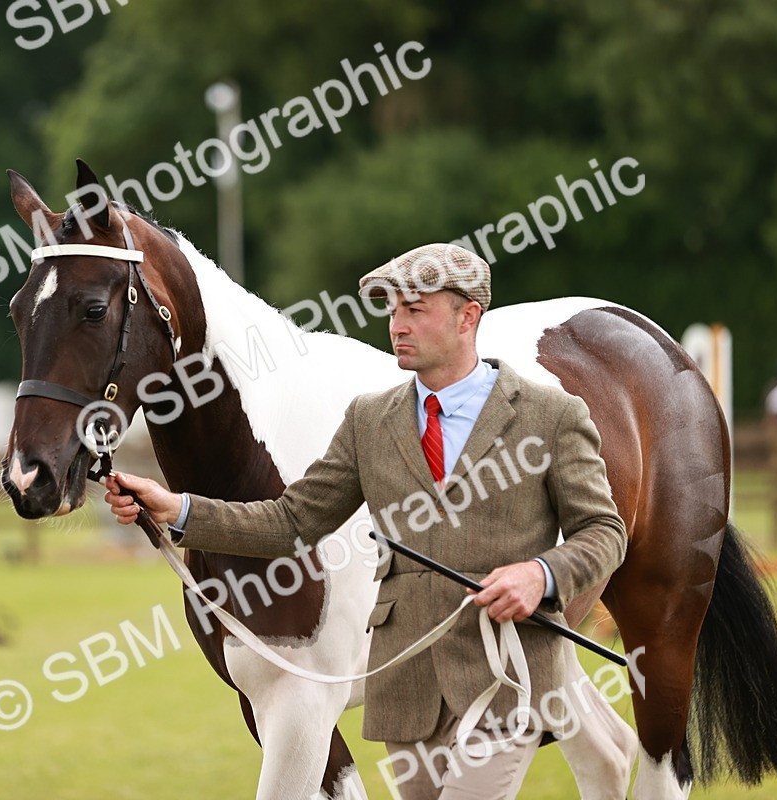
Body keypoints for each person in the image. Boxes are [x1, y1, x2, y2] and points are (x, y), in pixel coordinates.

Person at [104, 244, 632, 798]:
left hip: (504, 675)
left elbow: (604, 531)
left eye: (415, 310)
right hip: (407, 691)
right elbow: (291, 522)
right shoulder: (369, 419)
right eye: (392, 310)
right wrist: (177, 509)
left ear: (467, 316)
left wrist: (540, 576)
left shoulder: (552, 415)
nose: (396, 325)